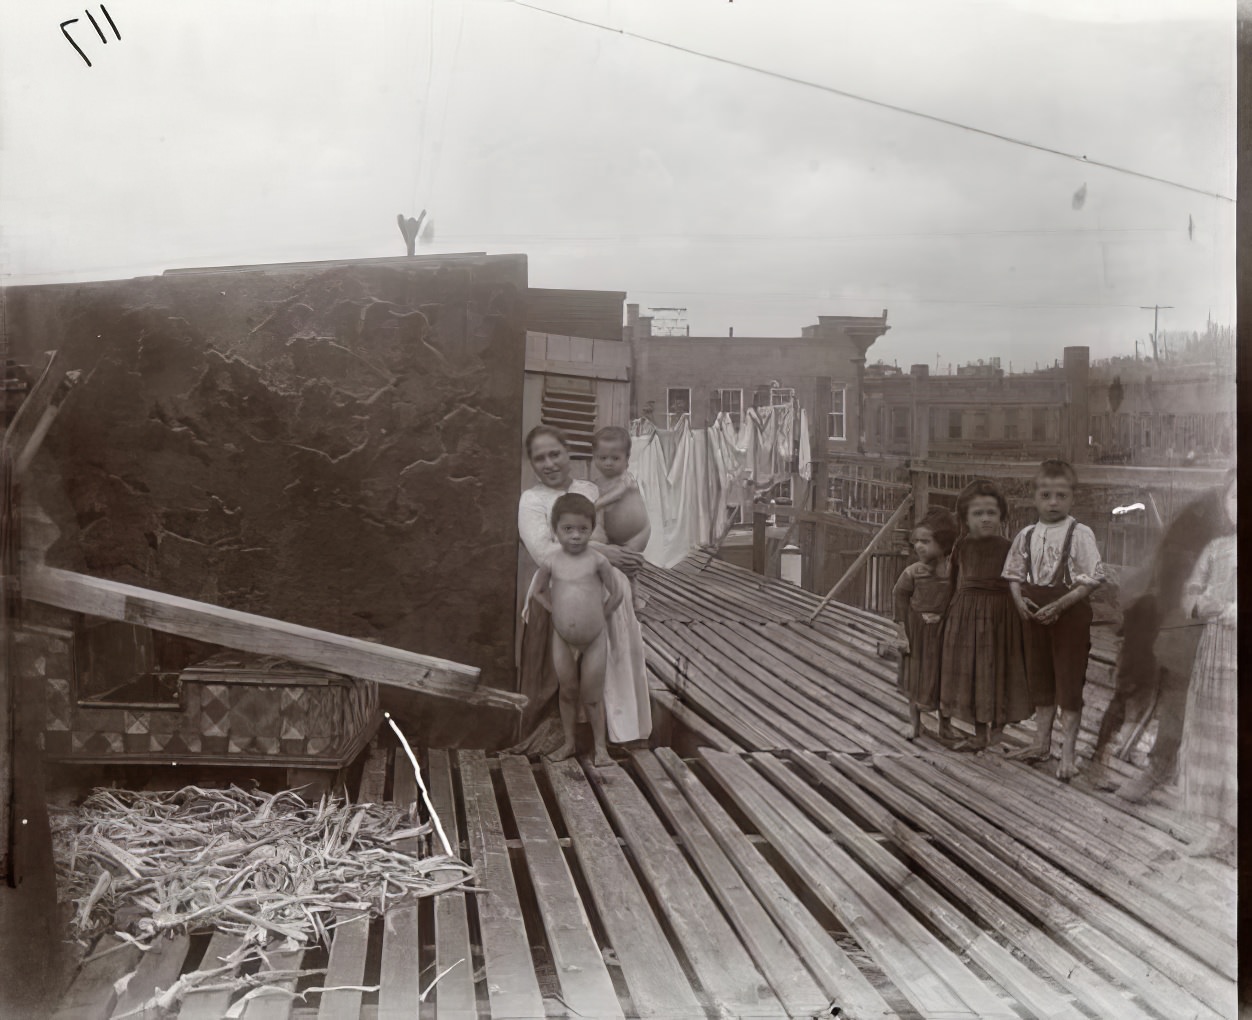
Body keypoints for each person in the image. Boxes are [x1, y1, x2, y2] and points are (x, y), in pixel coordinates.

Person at [1088, 473, 1237, 800]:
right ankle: (1119, 759)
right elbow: (1173, 566)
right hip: (1165, 613)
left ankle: (1168, 767)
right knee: (1143, 689)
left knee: (1185, 700)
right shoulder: (1206, 511)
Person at [515, 426, 650, 757]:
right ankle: (570, 736)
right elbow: (544, 552)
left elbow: (611, 529)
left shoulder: (590, 489)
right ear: (532, 464)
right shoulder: (532, 501)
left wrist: (628, 552)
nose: (549, 463)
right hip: (562, 593)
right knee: (569, 676)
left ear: (568, 452)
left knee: (612, 659)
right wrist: (606, 552)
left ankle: (620, 733)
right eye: (540, 458)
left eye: (555, 454)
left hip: (603, 589)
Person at [1003, 460, 1105, 781]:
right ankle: (1040, 743)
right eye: (1046, 495)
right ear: (1034, 497)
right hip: (1034, 613)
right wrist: (1019, 601)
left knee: (1069, 681)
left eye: (1061, 495)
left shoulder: (1080, 533)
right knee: (1041, 677)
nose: (1053, 503)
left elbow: (1091, 580)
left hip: (1070, 614)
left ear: (1072, 498)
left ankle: (1068, 755)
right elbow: (1014, 575)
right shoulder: (1027, 533)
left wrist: (1061, 605)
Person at [938, 479, 1031, 751]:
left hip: (1002, 618)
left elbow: (1021, 583)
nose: (986, 519)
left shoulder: (1009, 547)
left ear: (1001, 515)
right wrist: (946, 616)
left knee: (1000, 670)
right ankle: (979, 733)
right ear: (966, 518)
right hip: (966, 618)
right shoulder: (962, 547)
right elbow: (952, 583)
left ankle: (997, 731)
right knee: (973, 671)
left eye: (992, 513)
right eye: (978, 514)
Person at [531, 493, 622, 766]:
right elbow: (537, 591)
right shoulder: (551, 561)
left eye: (583, 529)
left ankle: (601, 749)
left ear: (592, 530)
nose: (575, 536)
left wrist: (599, 617)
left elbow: (616, 594)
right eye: (567, 529)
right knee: (568, 691)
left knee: (592, 696)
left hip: (594, 638)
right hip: (562, 637)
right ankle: (569, 743)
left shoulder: (597, 561)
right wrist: (555, 612)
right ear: (555, 530)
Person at [1175, 472, 1237, 858]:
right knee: (1216, 736)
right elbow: (1191, 592)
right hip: (1217, 654)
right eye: (1235, 497)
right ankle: (1220, 828)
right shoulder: (1216, 548)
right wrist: (1202, 604)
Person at [891, 507, 960, 742]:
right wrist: (902, 632)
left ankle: (945, 724)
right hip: (917, 632)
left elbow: (957, 599)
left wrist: (947, 619)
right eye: (916, 542)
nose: (919, 546)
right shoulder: (912, 573)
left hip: (943, 633)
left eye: (926, 541)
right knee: (915, 677)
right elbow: (900, 597)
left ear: (943, 543)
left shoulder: (953, 573)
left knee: (944, 677)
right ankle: (914, 724)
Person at [591, 426, 652, 612]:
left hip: (638, 533)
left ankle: (634, 600)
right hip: (613, 536)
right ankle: (613, 595)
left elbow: (616, 495)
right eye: (603, 458)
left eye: (615, 458)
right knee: (614, 566)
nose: (608, 463)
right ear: (595, 457)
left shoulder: (626, 479)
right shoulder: (596, 484)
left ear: (627, 459)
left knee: (629, 568)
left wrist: (595, 505)